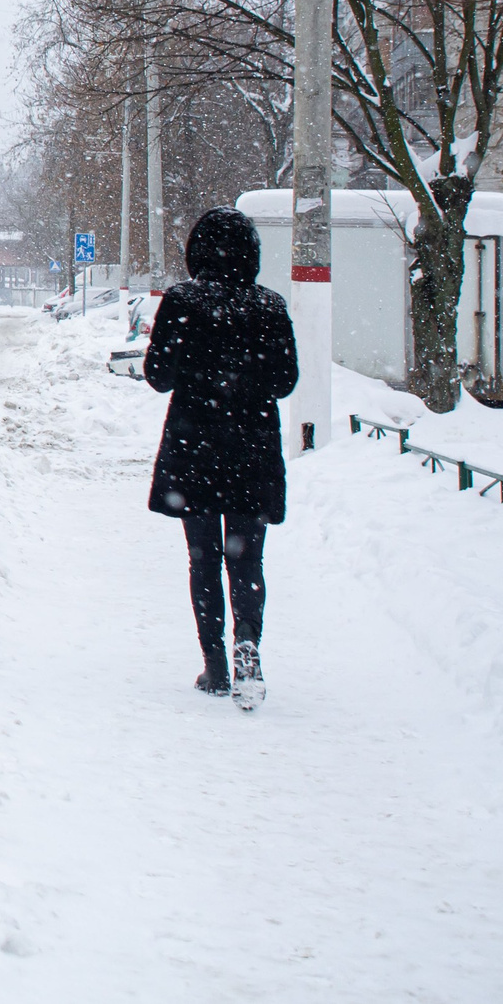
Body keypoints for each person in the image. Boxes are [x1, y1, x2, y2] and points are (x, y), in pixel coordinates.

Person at [143, 207, 298, 709]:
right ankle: (247, 641)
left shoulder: (182, 301)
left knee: (204, 559)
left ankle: (214, 663)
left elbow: (158, 375)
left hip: (196, 449)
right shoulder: (269, 306)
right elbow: (284, 382)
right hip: (252, 450)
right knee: (247, 558)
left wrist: (194, 361)